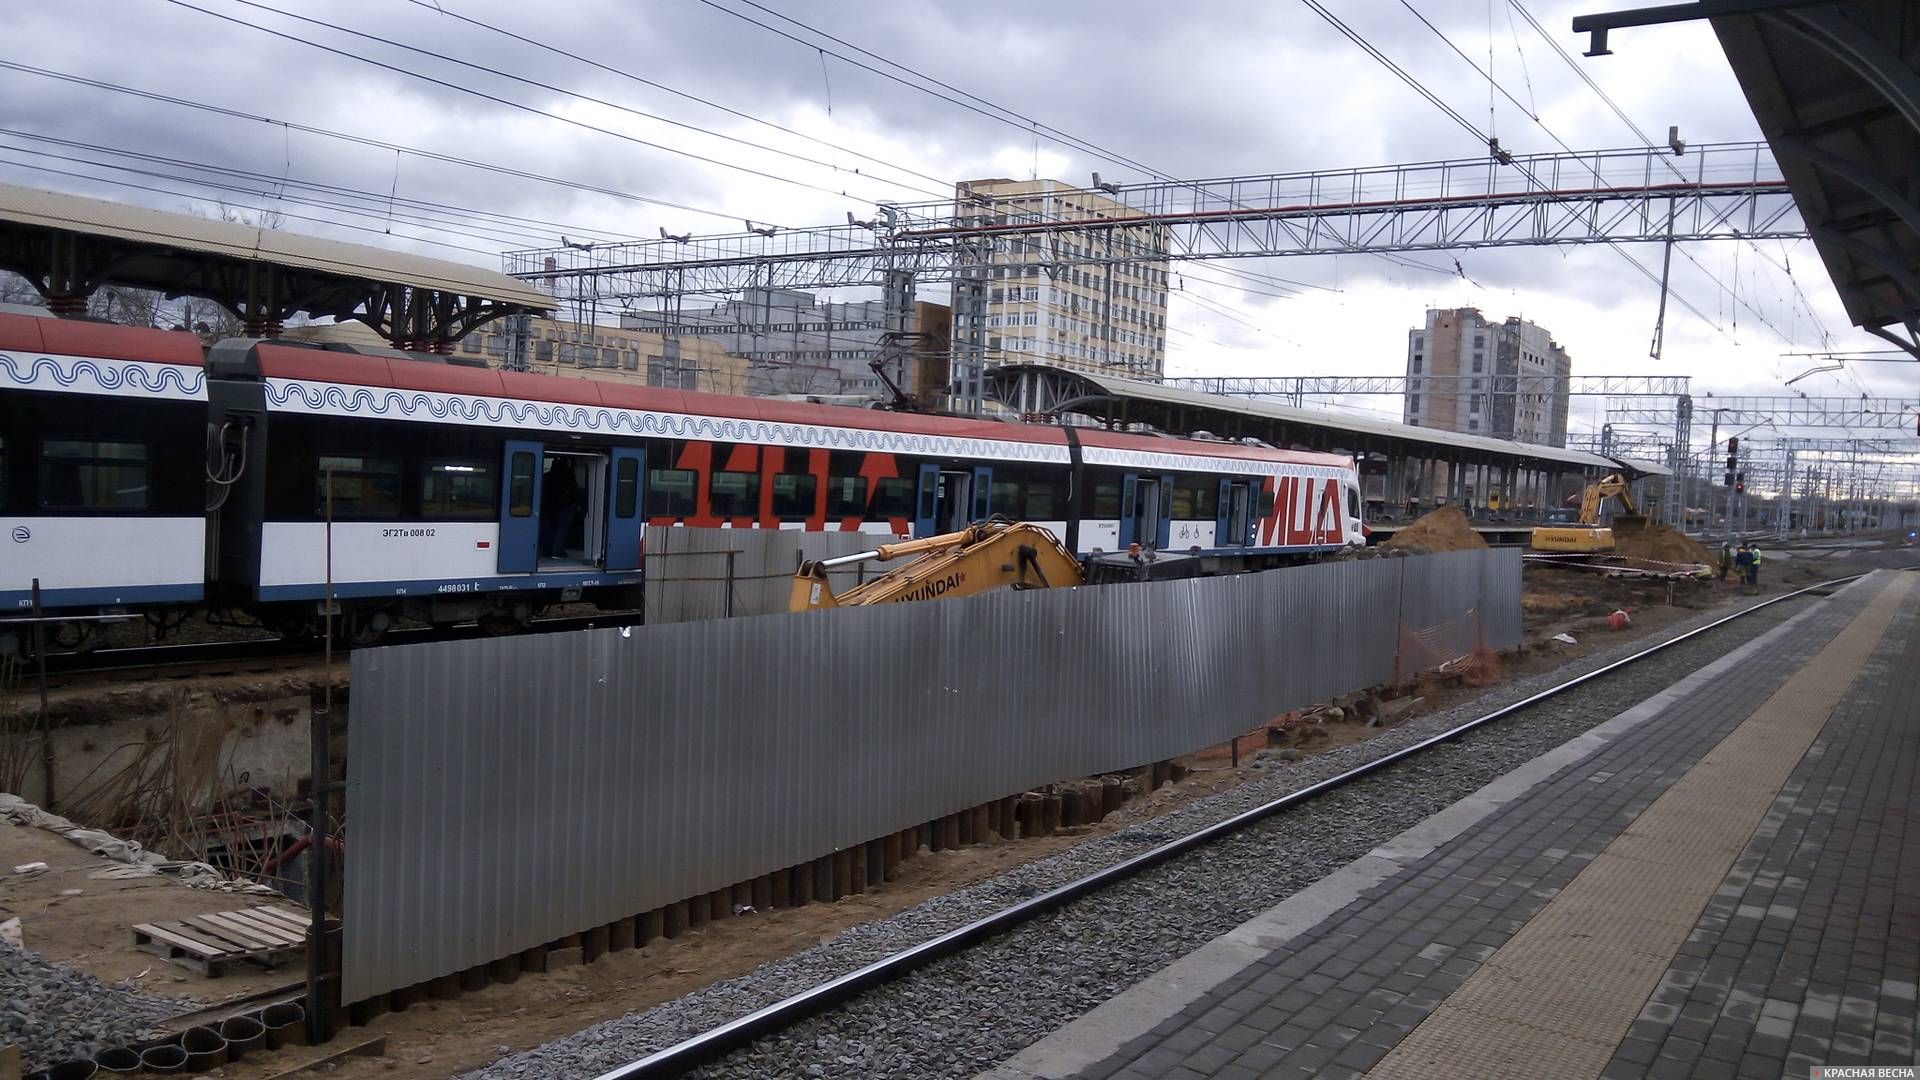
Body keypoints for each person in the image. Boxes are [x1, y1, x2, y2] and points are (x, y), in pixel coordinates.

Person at [540, 462, 580, 559]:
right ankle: (557, 551)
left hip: (548, 506)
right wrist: (575, 504)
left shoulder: (546, 477)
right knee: (561, 529)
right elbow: (574, 491)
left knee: (549, 529)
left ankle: (546, 550)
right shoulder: (568, 477)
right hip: (564, 506)